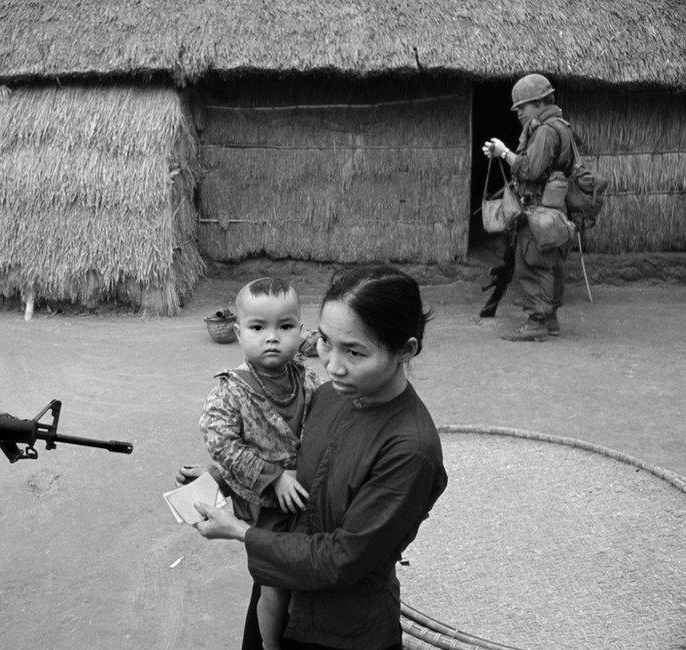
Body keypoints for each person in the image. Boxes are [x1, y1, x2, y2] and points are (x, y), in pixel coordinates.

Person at [185, 265, 448, 650]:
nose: (332, 365)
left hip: (342, 630)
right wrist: (222, 476)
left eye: (355, 351)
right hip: (285, 582)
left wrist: (240, 531)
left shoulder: (409, 451)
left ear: (406, 350)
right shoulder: (329, 396)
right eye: (325, 341)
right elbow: (297, 465)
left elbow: (341, 559)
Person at [200, 277, 326, 650]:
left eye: (284, 327)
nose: (272, 337)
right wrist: (272, 477)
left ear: (301, 332)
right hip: (266, 504)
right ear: (238, 333)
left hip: (302, 497)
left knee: (306, 575)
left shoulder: (308, 379)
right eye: (258, 328)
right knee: (274, 587)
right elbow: (220, 441)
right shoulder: (230, 391)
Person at [483, 73, 576, 341]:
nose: (519, 113)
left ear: (538, 102)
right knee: (549, 264)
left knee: (533, 265)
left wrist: (504, 153)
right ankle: (551, 320)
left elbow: (531, 170)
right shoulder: (560, 126)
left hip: (538, 211)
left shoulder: (546, 131)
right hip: (552, 211)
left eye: (522, 107)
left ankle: (537, 322)